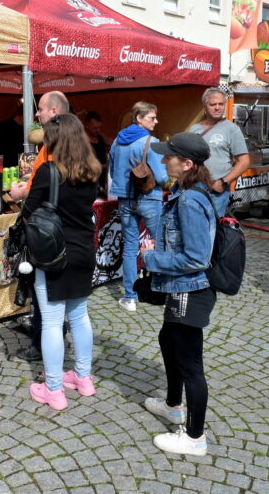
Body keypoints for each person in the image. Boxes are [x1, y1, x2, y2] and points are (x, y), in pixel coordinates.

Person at [139, 132, 217, 457]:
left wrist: (152, 258)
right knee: (167, 340)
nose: (163, 160)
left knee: (190, 365)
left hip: (191, 288)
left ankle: (195, 438)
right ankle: (173, 405)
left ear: (186, 164)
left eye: (169, 156)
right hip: (182, 286)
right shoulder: (183, 191)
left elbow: (197, 257)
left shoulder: (189, 200)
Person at [25, 114, 101, 411]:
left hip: (55, 254)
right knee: (80, 316)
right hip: (84, 250)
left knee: (52, 321)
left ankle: (54, 388)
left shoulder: (48, 171)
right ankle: (83, 377)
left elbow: (29, 211)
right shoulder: (92, 171)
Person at [9, 90, 70, 362]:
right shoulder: (75, 144)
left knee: (42, 293)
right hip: (63, 229)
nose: (37, 113)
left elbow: (43, 187)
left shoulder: (53, 145)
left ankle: (41, 346)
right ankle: (53, 337)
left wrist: (21, 193)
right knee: (58, 298)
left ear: (55, 111)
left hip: (45, 228)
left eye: (41, 109)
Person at [109, 101, 167, 312]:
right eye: (152, 117)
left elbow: (113, 170)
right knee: (161, 243)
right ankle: (162, 291)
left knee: (130, 247)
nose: (156, 121)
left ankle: (130, 297)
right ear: (140, 118)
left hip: (125, 199)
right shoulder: (151, 142)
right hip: (149, 198)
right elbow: (161, 177)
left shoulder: (117, 141)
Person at [189, 88, 250, 217]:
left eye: (221, 104)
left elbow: (244, 162)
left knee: (213, 226)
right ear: (205, 106)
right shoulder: (194, 129)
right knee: (194, 225)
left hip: (216, 191)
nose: (217, 108)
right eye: (213, 104)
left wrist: (223, 182)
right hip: (195, 187)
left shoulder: (232, 129)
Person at [84, 111, 109, 197]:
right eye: (95, 128)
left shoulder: (101, 138)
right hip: (89, 179)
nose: (98, 130)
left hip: (102, 179)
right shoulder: (82, 141)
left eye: (99, 127)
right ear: (87, 125)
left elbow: (112, 143)